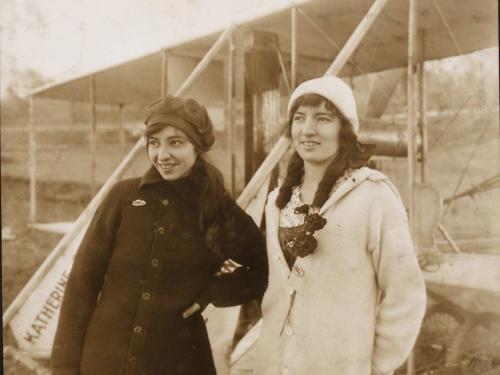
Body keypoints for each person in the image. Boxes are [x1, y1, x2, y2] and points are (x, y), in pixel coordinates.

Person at [51, 95, 268, 375]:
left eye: (175, 142)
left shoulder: (218, 208)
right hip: (105, 360)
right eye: (154, 143)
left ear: (197, 146)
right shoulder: (124, 196)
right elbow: (82, 283)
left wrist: (212, 293)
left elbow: (265, 268)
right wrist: (64, 367)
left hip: (179, 362)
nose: (162, 155)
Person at [253, 76, 426, 375]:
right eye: (299, 118)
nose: (308, 129)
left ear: (345, 130)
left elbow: (406, 294)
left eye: (323, 118)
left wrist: (374, 365)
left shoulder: (374, 196)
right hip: (276, 364)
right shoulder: (276, 202)